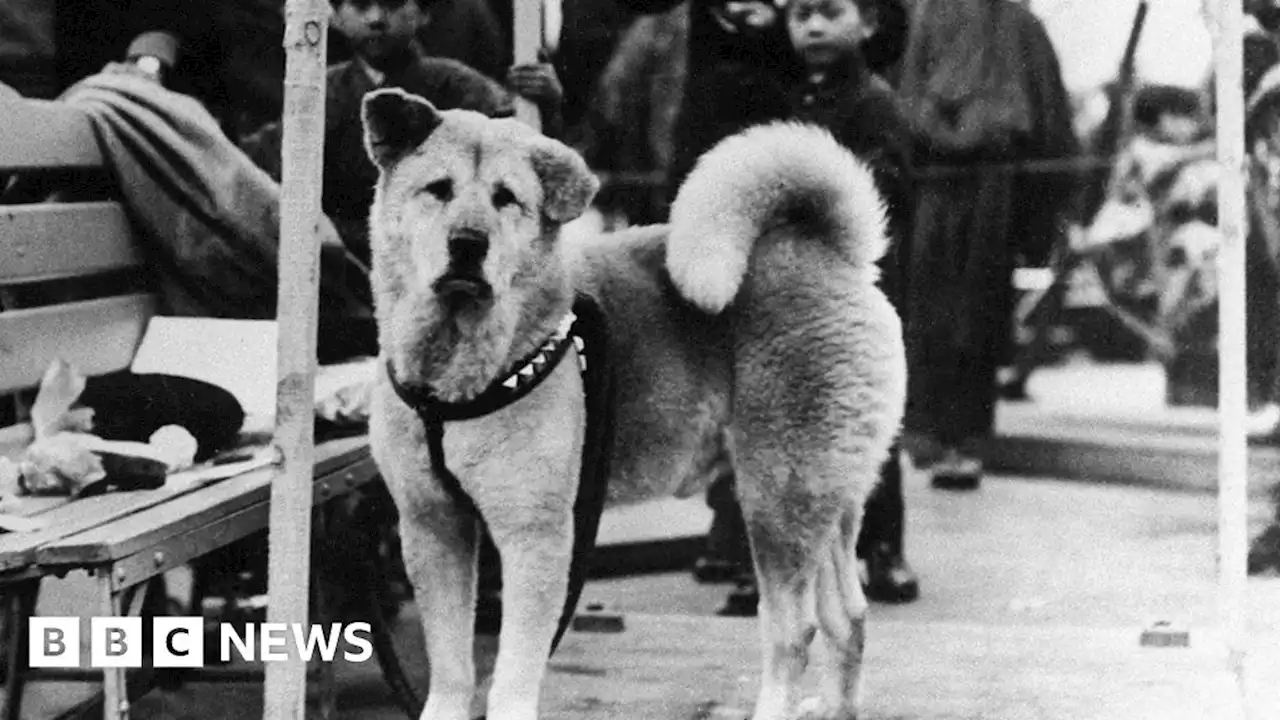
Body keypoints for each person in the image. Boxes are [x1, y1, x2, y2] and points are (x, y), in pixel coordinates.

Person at [620, 0, 918, 614]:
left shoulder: (874, 102)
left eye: (829, 13)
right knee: (769, 422)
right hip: (785, 281)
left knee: (851, 424)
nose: (810, 27)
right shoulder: (783, 93)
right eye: (801, 14)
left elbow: (882, 187)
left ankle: (882, 545)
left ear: (866, 23)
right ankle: (760, 555)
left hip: (852, 275)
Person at [897, 0, 1080, 490]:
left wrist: (1041, 213)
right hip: (932, 177)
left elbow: (1048, 119)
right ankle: (929, 433)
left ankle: (968, 440)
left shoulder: (1017, 23)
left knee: (975, 311)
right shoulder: (925, 17)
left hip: (992, 181)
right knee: (928, 307)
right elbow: (906, 99)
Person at [238, 0, 564, 268]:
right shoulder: (322, 90)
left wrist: (545, 108)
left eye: (392, 4)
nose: (377, 18)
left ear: (423, 13)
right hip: (342, 266)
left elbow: (523, 153)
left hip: (441, 263)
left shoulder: (457, 85)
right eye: (361, 5)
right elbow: (259, 163)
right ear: (336, 13)